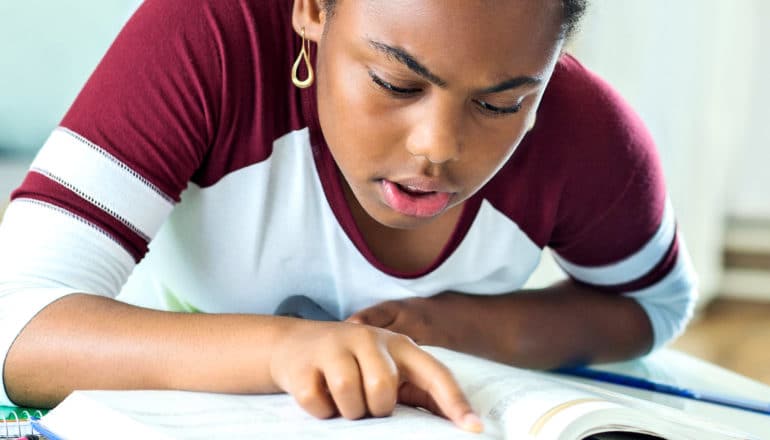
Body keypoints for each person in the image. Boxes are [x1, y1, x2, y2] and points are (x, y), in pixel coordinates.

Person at [0, 0, 697, 433]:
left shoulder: (587, 133)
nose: (438, 148)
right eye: (397, 82)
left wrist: (460, 327)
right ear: (311, 7)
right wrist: (284, 349)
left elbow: (655, 302)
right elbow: (16, 320)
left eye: (501, 104)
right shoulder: (210, 35)